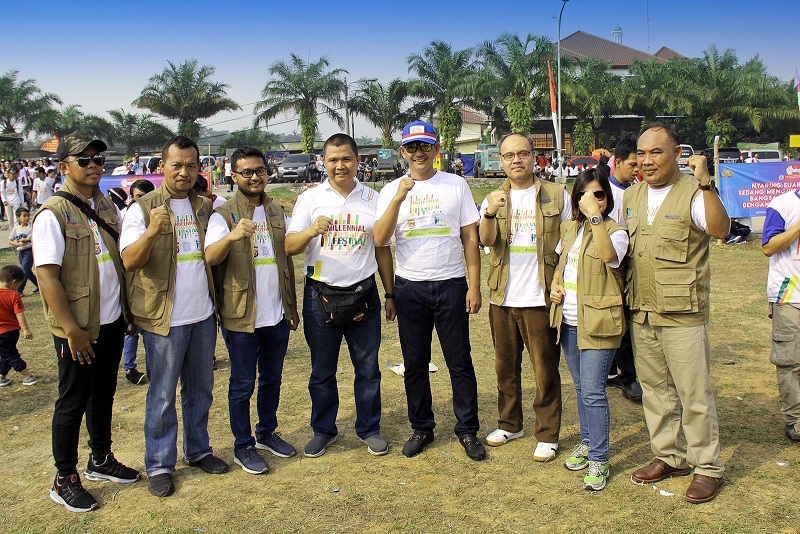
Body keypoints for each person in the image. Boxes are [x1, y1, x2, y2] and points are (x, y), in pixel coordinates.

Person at [33, 131, 140, 513]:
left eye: (99, 160)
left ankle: (101, 458)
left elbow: (118, 261)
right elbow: (46, 276)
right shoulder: (53, 213)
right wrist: (71, 330)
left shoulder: (107, 205)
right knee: (72, 400)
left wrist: (126, 310)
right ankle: (64, 478)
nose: (94, 166)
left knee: (103, 393)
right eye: (85, 160)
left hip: (109, 320)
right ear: (64, 166)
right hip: (78, 328)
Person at [624, 124, 730, 504]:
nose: (647, 161)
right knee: (655, 392)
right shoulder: (632, 195)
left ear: (676, 154)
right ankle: (669, 456)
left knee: (693, 394)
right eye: (642, 153)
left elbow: (720, 229)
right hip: (642, 311)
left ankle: (707, 467)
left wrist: (706, 184)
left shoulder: (693, 192)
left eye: (657, 152)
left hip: (682, 313)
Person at [121, 135, 227, 498]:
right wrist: (153, 230)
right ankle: (160, 464)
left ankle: (198, 450)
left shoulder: (205, 207)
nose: (184, 172)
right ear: (162, 165)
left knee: (200, 389)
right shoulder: (141, 209)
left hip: (202, 315)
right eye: (176, 165)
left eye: (191, 165)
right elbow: (130, 260)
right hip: (163, 318)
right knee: (163, 394)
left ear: (199, 168)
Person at [374, 121, 485, 461]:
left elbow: (470, 238)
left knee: (459, 362)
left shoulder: (456, 184)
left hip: (451, 284)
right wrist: (399, 196)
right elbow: (380, 239)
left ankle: (467, 430)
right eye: (412, 147)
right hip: (410, 288)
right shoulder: (391, 190)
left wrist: (474, 285)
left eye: (425, 146)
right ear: (402, 152)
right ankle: (422, 427)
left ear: (436, 149)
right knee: (415, 363)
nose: (419, 153)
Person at [287, 133, 395, 458]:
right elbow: (290, 247)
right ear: (323, 162)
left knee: (368, 369)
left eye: (346, 159)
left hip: (364, 296)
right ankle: (323, 430)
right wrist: (310, 230)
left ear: (358, 161)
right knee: (322, 371)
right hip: (320, 297)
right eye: (332, 160)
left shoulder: (373, 198)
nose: (340, 166)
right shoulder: (310, 199)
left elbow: (382, 247)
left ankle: (369, 428)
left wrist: (390, 293)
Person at [205, 146, 300, 473]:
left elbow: (287, 257)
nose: (255, 177)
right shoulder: (223, 215)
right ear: (234, 176)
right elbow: (210, 257)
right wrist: (232, 237)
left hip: (276, 313)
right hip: (241, 315)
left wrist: (292, 305)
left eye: (260, 170)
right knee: (243, 384)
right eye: (247, 172)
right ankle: (243, 445)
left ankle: (266, 432)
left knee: (272, 378)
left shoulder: (276, 211)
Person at [478, 133, 571, 461]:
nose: (516, 160)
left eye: (522, 153)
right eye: (509, 155)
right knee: (505, 367)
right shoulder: (494, 198)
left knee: (545, 369)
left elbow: (569, 242)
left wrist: (559, 281)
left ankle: (547, 433)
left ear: (534, 156)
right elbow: (486, 241)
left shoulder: (557, 195)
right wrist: (490, 213)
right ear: (501, 160)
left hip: (540, 297)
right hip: (502, 297)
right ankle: (509, 423)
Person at [549, 168, 628, 491]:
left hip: (599, 322)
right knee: (582, 388)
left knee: (595, 392)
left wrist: (595, 217)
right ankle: (586, 441)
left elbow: (610, 257)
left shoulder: (616, 231)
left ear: (607, 198)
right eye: (584, 195)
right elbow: (560, 265)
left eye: (599, 194)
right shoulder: (569, 228)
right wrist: (555, 285)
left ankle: (599, 457)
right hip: (568, 320)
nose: (592, 200)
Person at [605, 138, 643, 402]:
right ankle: (611, 372)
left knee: (625, 324)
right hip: (607, 268)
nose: (636, 169)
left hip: (629, 267)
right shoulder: (604, 191)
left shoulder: (637, 191)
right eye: (632, 164)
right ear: (617, 162)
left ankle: (628, 375)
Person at [761, 189, 800, 442]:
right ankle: (795, 419)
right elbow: (768, 247)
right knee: (791, 361)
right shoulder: (783, 204)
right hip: (790, 294)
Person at [120, 179, 155, 386]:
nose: (138, 201)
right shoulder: (125, 215)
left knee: (149, 332)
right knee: (131, 329)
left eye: (143, 197)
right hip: (130, 277)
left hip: (149, 282)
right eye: (136, 197)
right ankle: (130, 367)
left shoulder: (156, 215)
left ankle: (151, 366)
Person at [0, 264, 38, 386]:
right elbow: (19, 313)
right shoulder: (13, 295)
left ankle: (27, 376)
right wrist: (25, 329)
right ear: (13, 282)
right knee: (6, 353)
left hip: (1, 333)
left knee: (10, 354)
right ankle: (2, 375)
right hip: (12, 332)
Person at [8, 207, 39, 295]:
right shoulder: (16, 229)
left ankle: (19, 290)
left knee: (24, 271)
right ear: (18, 218)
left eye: (28, 216)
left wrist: (27, 240)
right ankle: (39, 286)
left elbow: (36, 238)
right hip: (21, 252)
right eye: (24, 216)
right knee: (28, 272)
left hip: (29, 251)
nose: (27, 218)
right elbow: (10, 240)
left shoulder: (31, 228)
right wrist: (18, 244)